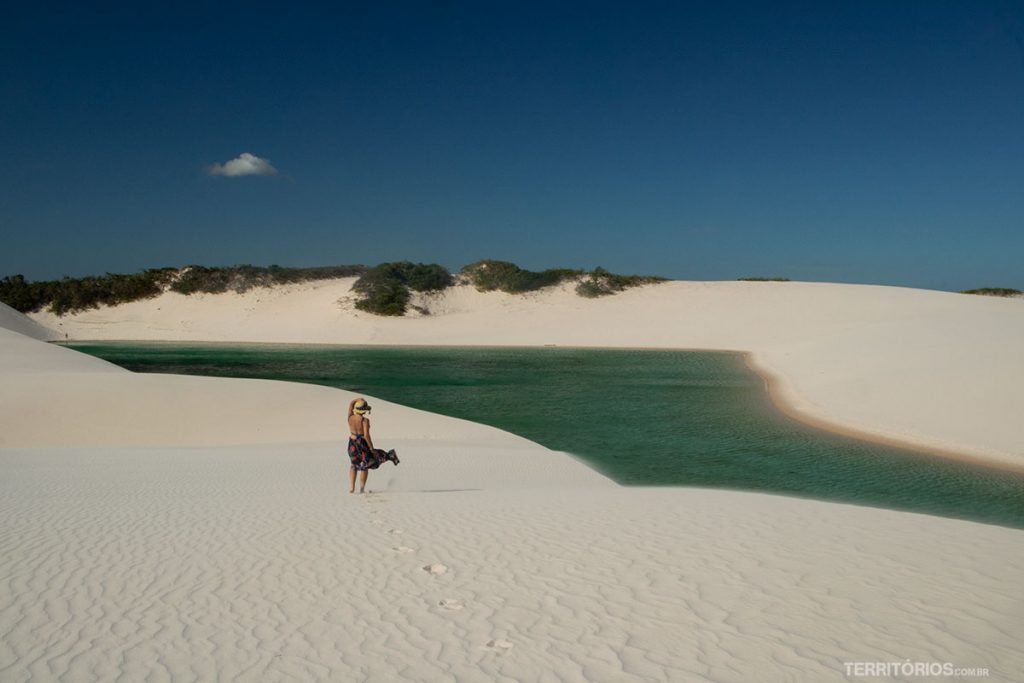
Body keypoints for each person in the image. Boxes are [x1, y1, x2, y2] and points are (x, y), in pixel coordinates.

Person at [347, 397, 399, 493]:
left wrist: (356, 399)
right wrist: (371, 448)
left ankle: (352, 488)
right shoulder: (364, 420)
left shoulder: (350, 417)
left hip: (352, 444)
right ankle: (362, 489)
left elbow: (350, 405)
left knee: (353, 465)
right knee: (365, 465)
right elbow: (366, 435)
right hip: (362, 443)